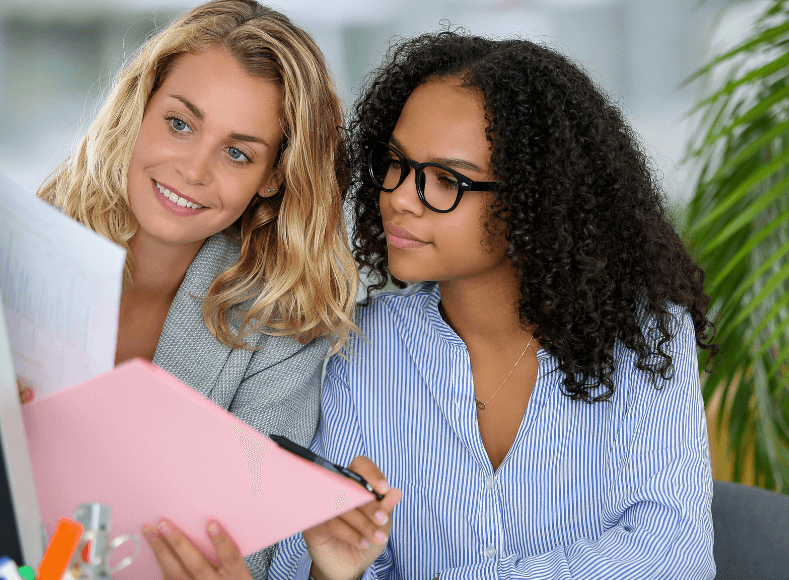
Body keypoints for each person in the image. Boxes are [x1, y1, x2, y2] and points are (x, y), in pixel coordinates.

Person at [259, 31, 721, 579]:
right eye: (395, 164)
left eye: (446, 180)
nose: (401, 197)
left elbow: (673, 554)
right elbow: (303, 563)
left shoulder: (643, 338)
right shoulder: (358, 349)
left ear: (535, 201)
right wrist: (336, 569)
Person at [34, 1, 358, 578]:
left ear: (273, 178)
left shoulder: (279, 334)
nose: (192, 168)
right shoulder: (24, 247)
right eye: (179, 123)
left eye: (237, 152)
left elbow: (244, 559)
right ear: (140, 108)